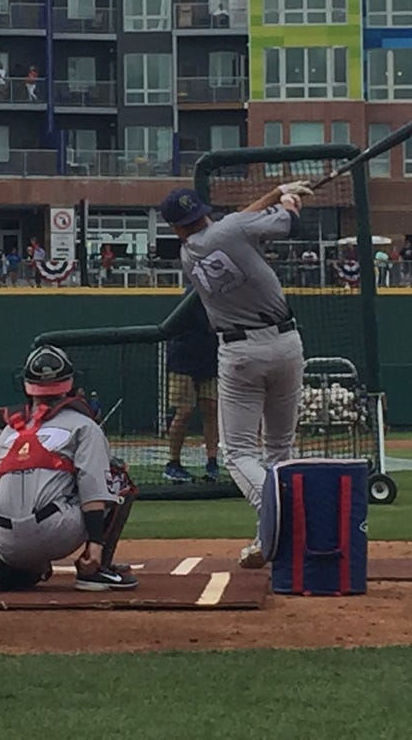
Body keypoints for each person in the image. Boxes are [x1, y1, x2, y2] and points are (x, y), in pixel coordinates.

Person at [160, 178, 310, 569]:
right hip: (286, 344)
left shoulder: (188, 253)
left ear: (175, 227)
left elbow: (238, 223)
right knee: (279, 449)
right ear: (203, 212)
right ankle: (275, 524)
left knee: (239, 453)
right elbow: (290, 224)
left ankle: (272, 523)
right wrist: (288, 201)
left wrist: (276, 193)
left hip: (240, 352)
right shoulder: (228, 230)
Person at [0, 345, 138, 594]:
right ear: (69, 382)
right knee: (119, 477)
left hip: (4, 537)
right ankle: (95, 569)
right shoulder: (84, 426)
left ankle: (7, 567)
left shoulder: (12, 429)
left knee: (34, 568)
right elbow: (93, 488)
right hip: (54, 532)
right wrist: (95, 543)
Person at [161, 291, 220, 483]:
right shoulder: (191, 297)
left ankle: (212, 462)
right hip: (183, 361)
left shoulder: (221, 295)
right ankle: (173, 463)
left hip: (209, 360)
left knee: (211, 408)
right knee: (184, 411)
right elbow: (212, 325)